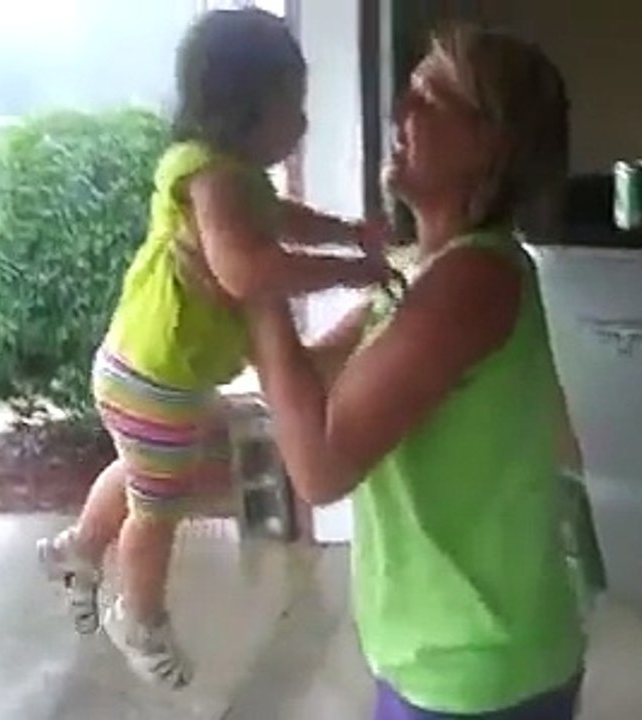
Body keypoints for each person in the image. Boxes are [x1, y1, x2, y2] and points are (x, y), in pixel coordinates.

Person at [245, 24, 599, 719]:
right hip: (432, 651)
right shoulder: (415, 271)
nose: (400, 112)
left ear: (492, 145)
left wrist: (257, 290)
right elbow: (303, 375)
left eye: (432, 97)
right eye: (408, 90)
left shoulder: (475, 278)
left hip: (478, 669)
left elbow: (319, 470)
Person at [36, 7, 387, 690]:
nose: (303, 122)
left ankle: (80, 550)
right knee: (157, 505)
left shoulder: (231, 176)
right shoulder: (215, 178)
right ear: (249, 107)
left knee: (142, 471)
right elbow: (247, 270)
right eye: (294, 104)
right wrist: (351, 273)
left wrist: (345, 233)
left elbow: (278, 219)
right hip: (156, 378)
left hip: (145, 369)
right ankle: (138, 615)